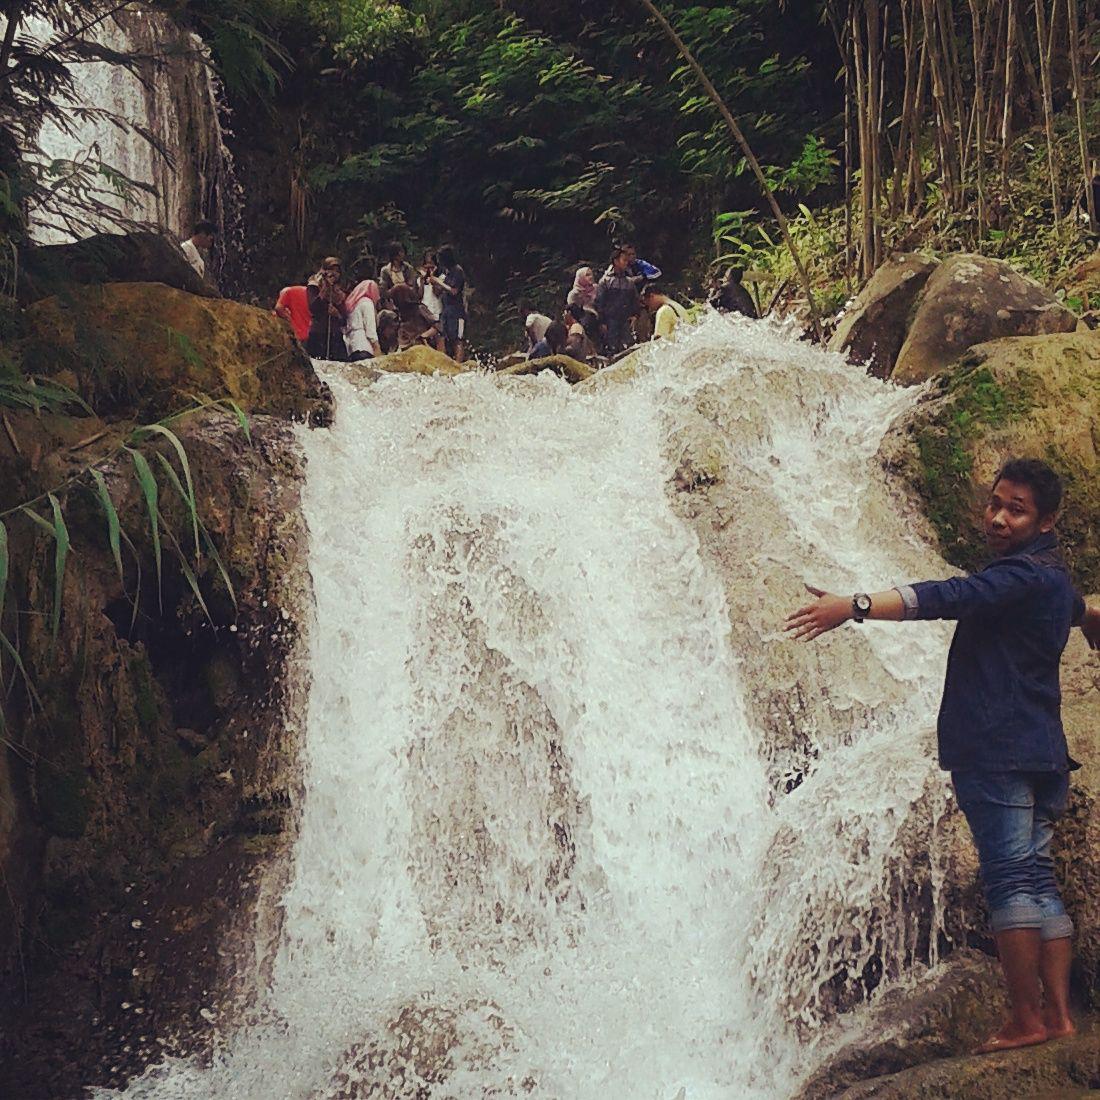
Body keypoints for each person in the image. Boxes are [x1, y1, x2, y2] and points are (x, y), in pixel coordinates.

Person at [784, 458, 1100, 1056]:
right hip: (1042, 752)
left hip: (998, 751)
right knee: (1036, 877)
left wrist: (852, 606)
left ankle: (1026, 1018)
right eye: (996, 503)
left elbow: (949, 595)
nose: (1000, 518)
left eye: (1017, 509)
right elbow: (1063, 602)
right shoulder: (1051, 578)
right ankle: (1057, 1016)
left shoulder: (1015, 579)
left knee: (1010, 880)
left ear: (1047, 521)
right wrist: (1088, 615)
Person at [594, 246, 640, 355]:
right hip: (611, 321)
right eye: (623, 260)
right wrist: (602, 322)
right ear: (615, 261)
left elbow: (635, 300)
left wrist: (635, 315)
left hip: (625, 320)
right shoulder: (605, 281)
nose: (626, 263)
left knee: (628, 348)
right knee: (611, 348)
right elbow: (600, 303)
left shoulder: (629, 282)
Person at [305, 256, 348, 360]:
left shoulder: (340, 291)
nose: (334, 273)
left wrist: (337, 314)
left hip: (335, 334)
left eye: (337, 271)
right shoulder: (314, 286)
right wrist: (325, 289)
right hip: (319, 332)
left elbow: (345, 317)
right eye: (331, 269)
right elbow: (313, 307)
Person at [431, 245, 467, 363]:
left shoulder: (457, 271)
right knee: (444, 335)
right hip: (446, 308)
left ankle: (458, 363)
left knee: (458, 338)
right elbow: (438, 291)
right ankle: (445, 361)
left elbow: (454, 291)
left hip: (457, 310)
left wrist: (438, 282)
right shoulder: (445, 272)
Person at [344, 277, 382, 361]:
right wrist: (376, 346)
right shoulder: (367, 302)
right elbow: (370, 328)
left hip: (351, 346)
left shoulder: (354, 303)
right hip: (364, 346)